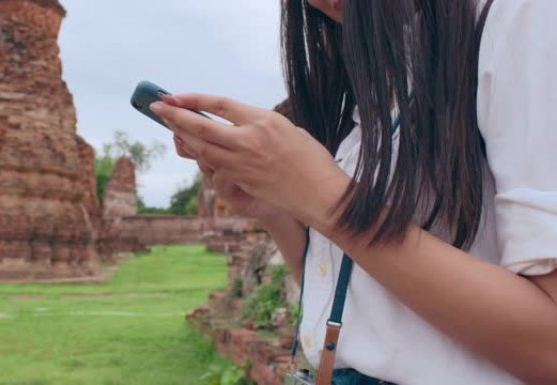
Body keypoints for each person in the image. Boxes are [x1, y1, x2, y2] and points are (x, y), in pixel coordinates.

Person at [150, 0, 557, 383]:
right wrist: (276, 209)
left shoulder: (514, 18)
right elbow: (364, 311)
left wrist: (327, 200)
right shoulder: (393, 70)